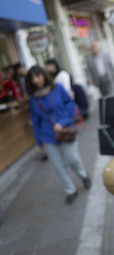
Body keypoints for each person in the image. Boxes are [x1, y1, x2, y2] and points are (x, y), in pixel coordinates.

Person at [26, 65, 91, 204]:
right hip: (48, 135)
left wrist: (61, 122)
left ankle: (84, 175)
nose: (36, 80)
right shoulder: (33, 99)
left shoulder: (58, 88)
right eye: (32, 78)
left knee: (72, 159)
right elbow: (35, 121)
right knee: (58, 166)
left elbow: (71, 106)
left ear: (44, 75)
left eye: (38, 76)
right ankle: (70, 190)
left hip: (66, 129)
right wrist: (39, 141)